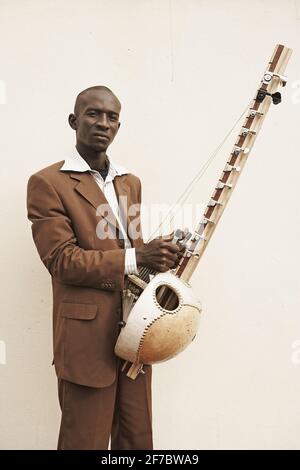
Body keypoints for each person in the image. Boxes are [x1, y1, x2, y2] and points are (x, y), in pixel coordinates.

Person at [27, 86, 182, 450]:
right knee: (85, 443)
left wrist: (161, 255)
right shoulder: (47, 183)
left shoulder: (130, 183)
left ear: (119, 125)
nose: (103, 123)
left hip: (138, 334)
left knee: (137, 442)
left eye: (112, 117)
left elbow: (127, 249)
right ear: (73, 121)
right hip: (85, 341)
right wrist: (139, 256)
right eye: (94, 114)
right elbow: (62, 261)